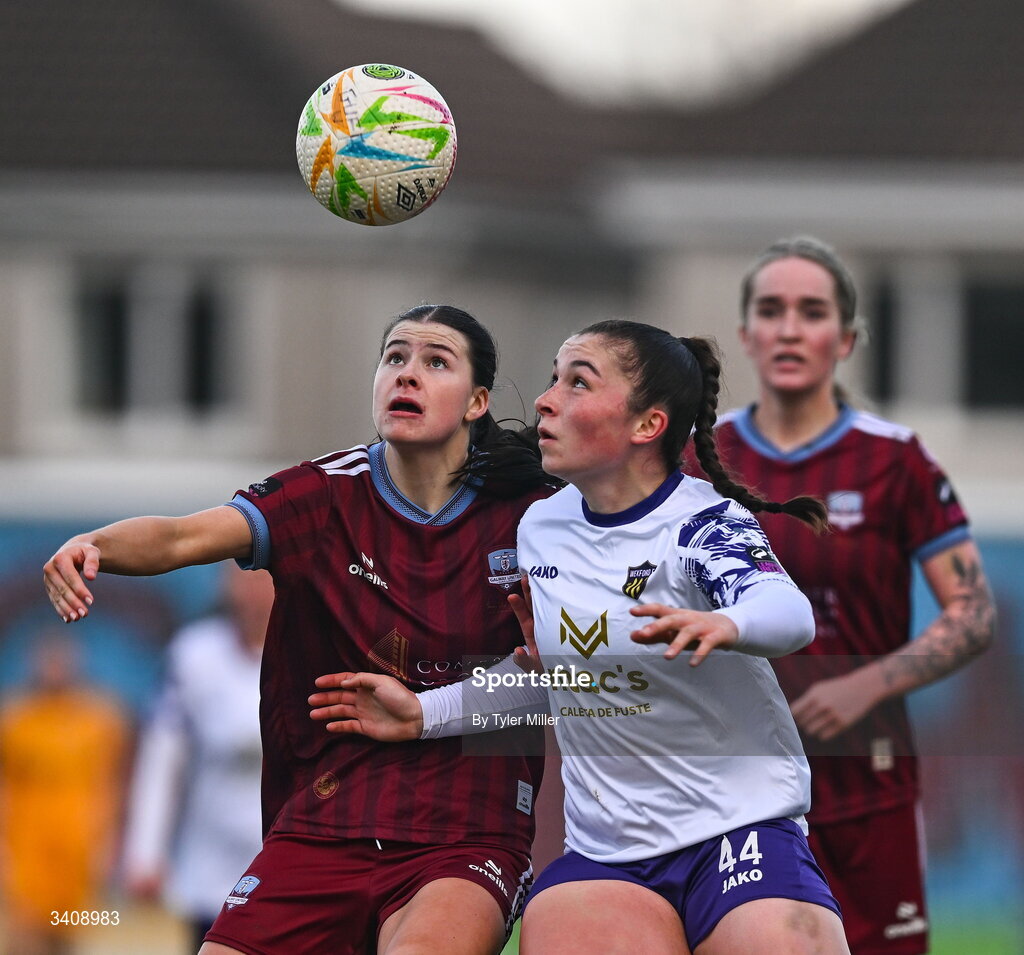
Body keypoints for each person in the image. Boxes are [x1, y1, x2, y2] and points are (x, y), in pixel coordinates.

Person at [310, 319, 852, 954]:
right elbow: (568, 681)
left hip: (739, 829)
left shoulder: (700, 523)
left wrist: (727, 623)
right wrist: (424, 713)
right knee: (561, 921)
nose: (545, 400)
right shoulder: (543, 526)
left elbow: (789, 614)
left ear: (646, 425)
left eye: (577, 383)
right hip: (607, 854)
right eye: (552, 380)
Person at [43, 304, 556, 955]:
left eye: (435, 361)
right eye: (394, 356)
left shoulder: (536, 519)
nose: (408, 373)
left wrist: (426, 711)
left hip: (465, 837)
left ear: (478, 400)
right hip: (322, 827)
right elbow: (182, 534)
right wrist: (93, 545)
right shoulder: (322, 494)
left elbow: (593, 680)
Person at [686, 236, 996, 955]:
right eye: (771, 309)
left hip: (866, 779)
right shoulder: (700, 461)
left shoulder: (896, 460)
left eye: (812, 310)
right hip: (736, 786)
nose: (790, 327)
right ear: (746, 335)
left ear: (847, 338)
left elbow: (973, 612)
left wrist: (868, 684)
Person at [122, 564, 274, 952]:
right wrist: (145, 851)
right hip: (210, 871)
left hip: (291, 863)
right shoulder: (193, 655)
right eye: (244, 576)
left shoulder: (317, 651)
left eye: (265, 578)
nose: (254, 591)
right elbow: (161, 757)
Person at [0, 632, 129, 955]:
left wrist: (111, 840)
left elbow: (112, 784)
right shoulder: (16, 719)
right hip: (29, 843)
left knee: (69, 933)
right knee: (27, 935)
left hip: (80, 842)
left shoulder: (100, 720)